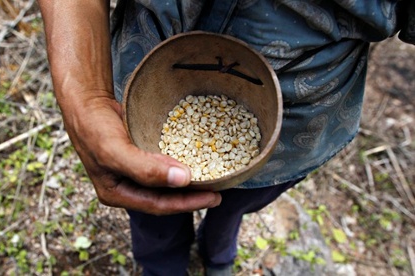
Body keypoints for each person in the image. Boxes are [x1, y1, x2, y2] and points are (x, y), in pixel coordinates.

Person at [37, 1, 413, 275]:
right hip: (141, 97)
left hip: (294, 127)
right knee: (152, 211)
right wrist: (85, 93)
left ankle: (218, 250)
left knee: (235, 205)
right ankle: (160, 267)